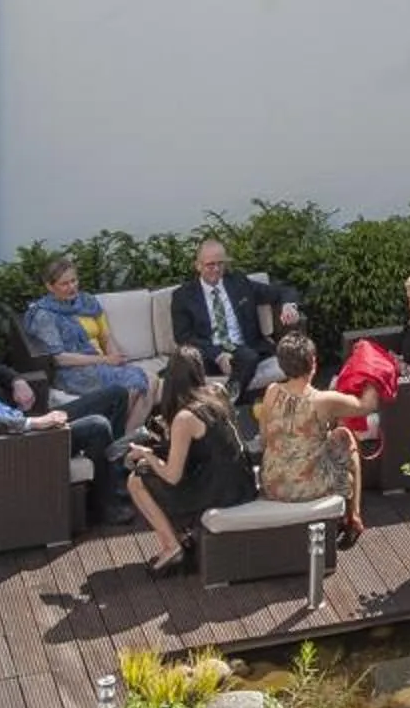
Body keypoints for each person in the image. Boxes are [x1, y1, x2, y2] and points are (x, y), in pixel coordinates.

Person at [0, 315, 130, 526]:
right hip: (21, 440)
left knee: (117, 394)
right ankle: (106, 506)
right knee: (97, 425)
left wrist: (17, 380)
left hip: (27, 421)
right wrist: (35, 424)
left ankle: (115, 478)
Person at [121, 346, 256, 576]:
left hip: (221, 491)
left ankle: (172, 547)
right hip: (243, 482)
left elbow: (172, 475)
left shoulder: (185, 417)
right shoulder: (217, 392)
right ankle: (182, 537)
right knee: (158, 471)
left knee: (137, 479)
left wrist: (146, 454)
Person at [253, 331, 369, 548]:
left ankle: (351, 516)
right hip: (304, 488)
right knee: (346, 438)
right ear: (313, 363)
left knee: (331, 440)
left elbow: (265, 439)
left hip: (273, 483)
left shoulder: (271, 391)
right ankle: (354, 517)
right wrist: (373, 376)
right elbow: (365, 406)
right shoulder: (322, 400)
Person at [19, 256, 153, 436]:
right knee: (140, 384)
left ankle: (124, 439)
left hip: (101, 362)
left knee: (150, 382)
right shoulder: (44, 315)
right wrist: (105, 359)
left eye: (74, 280)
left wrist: (114, 358)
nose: (72, 287)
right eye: (64, 284)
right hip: (74, 371)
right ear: (50, 287)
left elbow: (106, 336)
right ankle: (122, 436)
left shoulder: (87, 301)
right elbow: (59, 358)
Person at [168, 238, 299, 398]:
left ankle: (227, 400)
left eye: (220, 263)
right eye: (210, 264)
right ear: (198, 265)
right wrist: (218, 355)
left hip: (241, 351)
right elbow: (183, 337)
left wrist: (288, 305)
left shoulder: (238, 283)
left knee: (248, 357)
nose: (216, 269)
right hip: (208, 353)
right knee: (179, 367)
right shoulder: (183, 296)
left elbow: (282, 291)